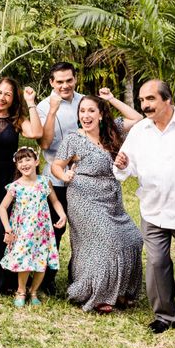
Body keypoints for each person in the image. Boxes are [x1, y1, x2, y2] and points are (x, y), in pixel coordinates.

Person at [113, 80, 175, 344]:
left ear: (167, 100)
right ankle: (164, 315)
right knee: (157, 263)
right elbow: (123, 169)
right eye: (141, 100)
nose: (144, 105)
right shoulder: (139, 132)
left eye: (150, 99)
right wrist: (122, 164)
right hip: (153, 208)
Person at [52, 89, 143, 313]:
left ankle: (120, 290)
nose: (86, 115)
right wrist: (65, 176)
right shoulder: (73, 139)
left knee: (133, 238)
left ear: (101, 114)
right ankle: (96, 292)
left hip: (111, 199)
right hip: (83, 197)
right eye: (82, 111)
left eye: (91, 110)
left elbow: (137, 119)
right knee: (107, 239)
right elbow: (56, 166)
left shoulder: (113, 132)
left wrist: (111, 99)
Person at [0, 77, 43, 294]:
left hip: (10, 178)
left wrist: (30, 101)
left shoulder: (17, 119)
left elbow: (36, 133)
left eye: (8, 94)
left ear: (13, 98)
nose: (2, 97)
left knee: (10, 226)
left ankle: (9, 279)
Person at [36, 62, 83, 294]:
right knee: (54, 230)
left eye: (69, 80)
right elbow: (44, 144)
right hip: (55, 179)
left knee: (83, 230)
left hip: (84, 177)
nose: (65, 85)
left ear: (75, 79)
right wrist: (53, 110)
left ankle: (81, 276)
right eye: (60, 81)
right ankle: (47, 279)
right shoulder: (44, 106)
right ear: (52, 83)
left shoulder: (85, 102)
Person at [0, 147, 66, 307]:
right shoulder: (16, 186)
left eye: (28, 159)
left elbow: (55, 201)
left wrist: (62, 214)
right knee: (25, 261)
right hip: (23, 231)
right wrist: (8, 229)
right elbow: (2, 207)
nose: (24, 163)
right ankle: (21, 290)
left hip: (42, 231)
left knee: (41, 261)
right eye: (20, 161)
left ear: (36, 161)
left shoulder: (44, 182)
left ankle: (34, 290)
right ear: (17, 166)